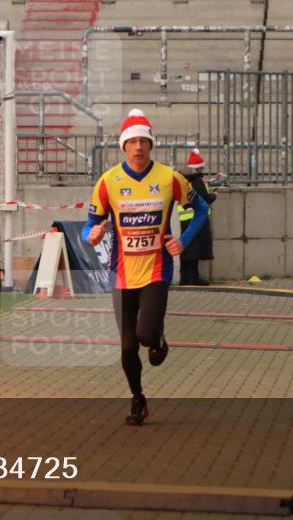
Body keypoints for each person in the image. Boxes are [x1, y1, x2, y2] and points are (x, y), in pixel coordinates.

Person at [82, 109, 209, 425]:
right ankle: (138, 399)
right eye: (132, 141)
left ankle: (158, 338)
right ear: (123, 146)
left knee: (145, 334)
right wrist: (92, 234)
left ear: (151, 145)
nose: (138, 147)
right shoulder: (108, 181)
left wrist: (184, 241)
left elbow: (201, 208)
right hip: (122, 274)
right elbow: (91, 225)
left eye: (143, 141)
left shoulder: (169, 178)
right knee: (127, 348)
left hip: (156, 270)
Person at [179, 149, 217, 286]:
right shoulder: (198, 181)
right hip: (197, 219)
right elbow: (205, 199)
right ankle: (193, 278)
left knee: (185, 248)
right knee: (195, 251)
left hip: (183, 220)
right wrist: (214, 196)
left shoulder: (182, 180)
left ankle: (184, 278)